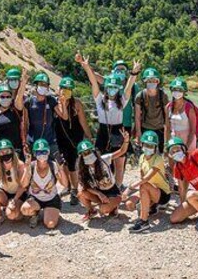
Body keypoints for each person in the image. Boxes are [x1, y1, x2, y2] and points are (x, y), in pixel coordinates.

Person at [78, 55, 140, 190]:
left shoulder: (121, 100)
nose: (112, 89)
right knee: (99, 161)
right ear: (106, 87)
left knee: (119, 161)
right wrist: (87, 67)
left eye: (115, 87)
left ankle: (117, 188)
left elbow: (129, 87)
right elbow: (94, 83)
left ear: (118, 88)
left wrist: (134, 72)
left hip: (118, 131)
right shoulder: (100, 100)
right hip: (103, 131)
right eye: (110, 86)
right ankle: (102, 185)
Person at [54, 76, 92, 206]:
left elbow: (83, 122)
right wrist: (62, 102)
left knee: (72, 165)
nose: (67, 91)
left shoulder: (77, 104)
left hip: (75, 138)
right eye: (64, 88)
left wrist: (89, 137)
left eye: (69, 89)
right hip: (59, 138)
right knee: (61, 164)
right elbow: (62, 117)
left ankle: (74, 190)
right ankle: (67, 186)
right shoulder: (55, 104)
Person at [76, 131, 130, 221]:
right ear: (81, 156)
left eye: (89, 151)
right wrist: (99, 194)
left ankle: (113, 206)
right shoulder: (84, 168)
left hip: (112, 191)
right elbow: (85, 185)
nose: (88, 154)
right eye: (84, 153)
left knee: (103, 210)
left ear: (93, 151)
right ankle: (91, 210)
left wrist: (126, 141)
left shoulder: (104, 159)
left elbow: (122, 151)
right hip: (99, 191)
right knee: (81, 194)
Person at [125, 130, 172, 233]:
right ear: (142, 144)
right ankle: (152, 206)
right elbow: (142, 179)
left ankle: (143, 221)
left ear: (155, 147)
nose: (148, 148)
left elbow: (145, 179)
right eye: (147, 145)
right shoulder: (142, 157)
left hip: (163, 193)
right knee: (129, 204)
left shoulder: (158, 159)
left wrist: (129, 189)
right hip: (149, 188)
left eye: (151, 146)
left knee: (144, 187)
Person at [18, 139, 69, 229]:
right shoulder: (31, 166)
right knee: (24, 209)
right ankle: (35, 214)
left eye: (44, 151)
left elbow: (65, 184)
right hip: (35, 198)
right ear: (34, 153)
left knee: (50, 224)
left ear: (48, 152)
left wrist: (61, 168)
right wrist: (26, 169)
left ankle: (50, 212)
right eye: (39, 152)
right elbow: (23, 185)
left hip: (51, 199)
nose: (42, 154)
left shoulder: (53, 165)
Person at [23, 72, 60, 161]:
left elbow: (63, 116)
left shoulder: (51, 101)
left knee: (57, 167)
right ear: (35, 85)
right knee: (32, 168)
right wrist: (25, 142)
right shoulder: (29, 102)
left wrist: (60, 99)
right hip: (33, 142)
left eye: (45, 85)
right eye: (41, 84)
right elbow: (25, 123)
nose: (43, 87)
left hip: (50, 142)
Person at [0, 82, 25, 160]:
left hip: (14, 150)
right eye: (2, 97)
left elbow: (20, 95)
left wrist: (24, 81)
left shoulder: (16, 111)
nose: (5, 99)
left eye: (8, 97)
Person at [134, 68, 169, 153]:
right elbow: (137, 117)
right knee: (146, 153)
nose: (151, 82)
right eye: (149, 80)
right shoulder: (140, 96)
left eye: (154, 80)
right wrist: (138, 134)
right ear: (145, 81)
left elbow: (167, 116)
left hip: (160, 129)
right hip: (145, 128)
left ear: (158, 81)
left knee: (159, 153)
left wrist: (167, 135)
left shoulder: (163, 95)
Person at [164, 77, 197, 150]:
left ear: (184, 92)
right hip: (173, 140)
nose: (177, 92)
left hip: (187, 140)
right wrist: (166, 144)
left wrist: (186, 147)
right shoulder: (168, 107)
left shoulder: (189, 107)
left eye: (180, 90)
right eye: (175, 89)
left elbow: (192, 130)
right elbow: (167, 128)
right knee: (172, 160)